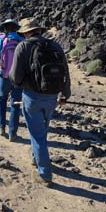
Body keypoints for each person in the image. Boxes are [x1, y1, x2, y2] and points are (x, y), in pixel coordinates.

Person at [9, 18, 71, 187]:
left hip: (32, 97)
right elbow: (65, 71)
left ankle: (44, 174)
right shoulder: (55, 46)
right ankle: (36, 159)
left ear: (26, 32)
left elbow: (15, 77)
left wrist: (21, 85)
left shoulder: (23, 46)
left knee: (37, 136)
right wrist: (66, 94)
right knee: (42, 131)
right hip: (52, 97)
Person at [0, 19, 24, 141]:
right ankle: (13, 133)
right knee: (15, 103)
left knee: (2, 100)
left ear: (5, 28)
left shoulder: (1, 39)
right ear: (16, 28)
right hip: (19, 77)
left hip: (4, 75)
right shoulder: (22, 40)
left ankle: (1, 127)